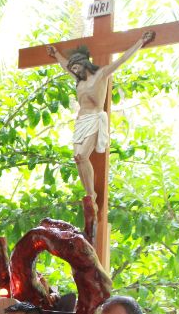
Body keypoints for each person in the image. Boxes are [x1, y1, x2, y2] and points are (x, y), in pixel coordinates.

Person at [46, 30, 155, 200]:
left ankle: (91, 194)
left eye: (76, 67)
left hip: (94, 119)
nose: (74, 71)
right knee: (77, 158)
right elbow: (63, 64)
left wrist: (140, 41)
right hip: (81, 121)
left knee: (83, 155)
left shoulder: (101, 75)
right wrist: (56, 54)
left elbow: (122, 59)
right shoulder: (79, 81)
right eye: (72, 69)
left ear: (84, 64)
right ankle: (87, 195)